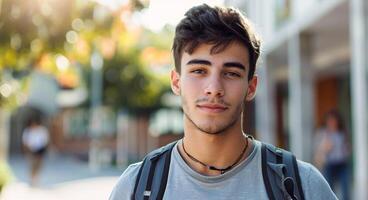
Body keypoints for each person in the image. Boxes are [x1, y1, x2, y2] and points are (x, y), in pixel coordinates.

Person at [110, 4, 337, 200]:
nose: (214, 89)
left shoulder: (302, 186)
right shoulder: (136, 187)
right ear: (176, 82)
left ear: (251, 87)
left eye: (231, 73)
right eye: (199, 70)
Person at [314, 110, 351, 200]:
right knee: (329, 188)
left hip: (342, 164)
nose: (332, 123)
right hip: (329, 165)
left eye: (334, 120)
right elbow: (318, 151)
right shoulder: (323, 133)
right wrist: (325, 147)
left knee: (345, 188)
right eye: (330, 120)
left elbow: (347, 148)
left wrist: (347, 150)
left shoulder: (342, 133)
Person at [22, 117, 49, 187]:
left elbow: (45, 141)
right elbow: (25, 142)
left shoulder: (42, 130)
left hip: (40, 151)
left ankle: (36, 179)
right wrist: (27, 151)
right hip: (30, 151)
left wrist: (43, 151)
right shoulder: (27, 131)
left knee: (38, 166)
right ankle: (32, 180)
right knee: (31, 166)